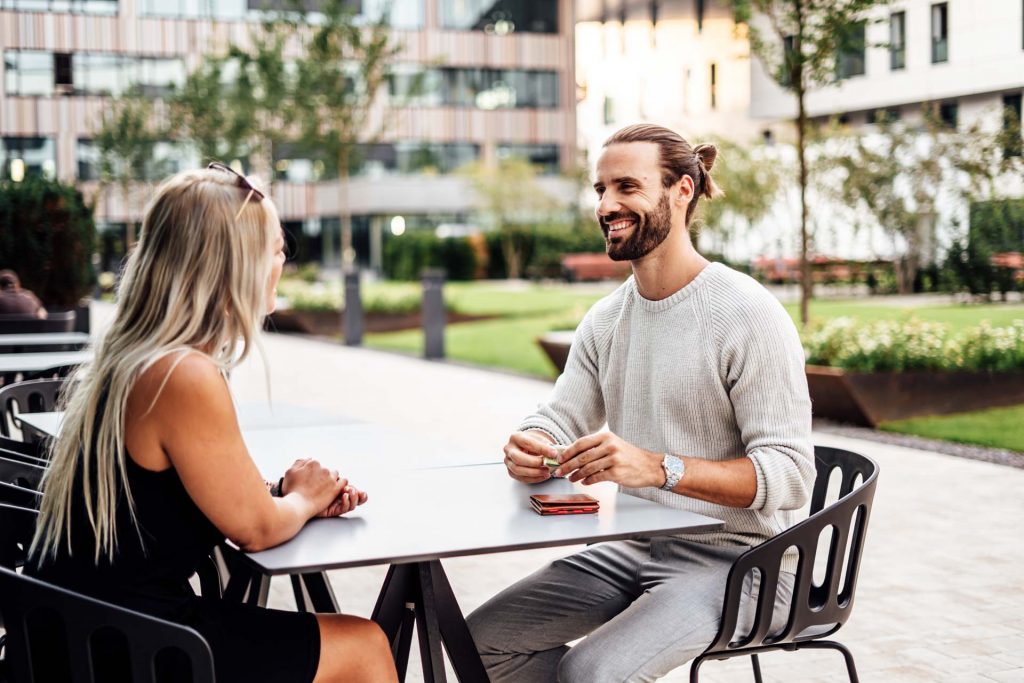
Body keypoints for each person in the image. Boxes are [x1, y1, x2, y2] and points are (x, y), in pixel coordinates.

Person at [467, 124, 815, 682]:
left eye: (626, 186)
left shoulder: (749, 313)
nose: (607, 205)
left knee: (591, 673)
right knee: (477, 644)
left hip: (746, 564)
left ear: (682, 190)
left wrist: (657, 468)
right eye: (600, 189)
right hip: (634, 547)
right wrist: (531, 442)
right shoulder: (607, 319)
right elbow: (559, 416)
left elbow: (792, 474)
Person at [28, 165, 398, 683]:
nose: (283, 258)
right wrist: (305, 499)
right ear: (230, 264)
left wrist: (280, 491)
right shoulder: (182, 373)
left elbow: (180, 498)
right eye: (273, 247)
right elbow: (257, 530)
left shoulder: (137, 357)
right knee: (364, 646)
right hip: (129, 648)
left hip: (74, 632)